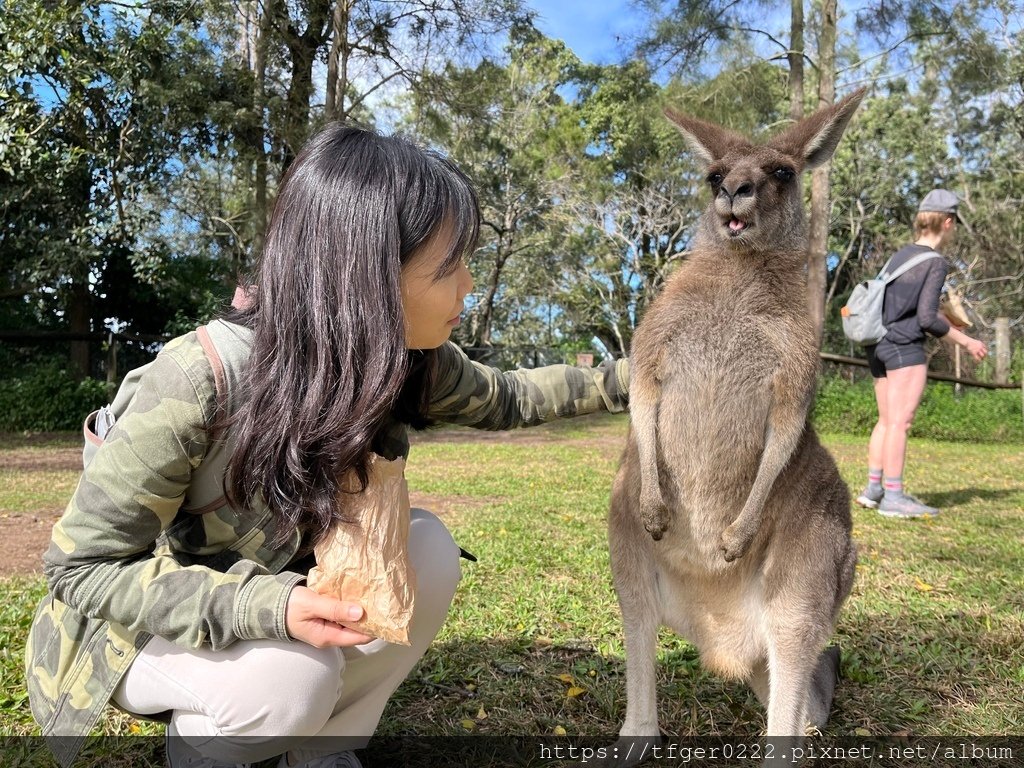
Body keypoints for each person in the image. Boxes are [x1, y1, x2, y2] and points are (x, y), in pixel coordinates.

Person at [25, 124, 630, 768]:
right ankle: (203, 749)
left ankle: (323, 750)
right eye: (450, 265)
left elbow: (511, 396)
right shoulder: (200, 380)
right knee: (290, 683)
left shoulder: (406, 359)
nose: (469, 285)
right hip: (135, 632)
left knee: (429, 551)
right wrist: (267, 605)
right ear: (370, 274)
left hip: (280, 604)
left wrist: (641, 375)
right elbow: (82, 570)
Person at [855, 189, 987, 518]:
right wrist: (967, 341)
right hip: (903, 348)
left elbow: (906, 307)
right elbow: (927, 318)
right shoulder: (934, 262)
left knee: (886, 420)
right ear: (947, 222)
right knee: (901, 422)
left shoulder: (899, 257)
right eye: (954, 223)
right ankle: (894, 497)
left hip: (878, 346)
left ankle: (874, 489)